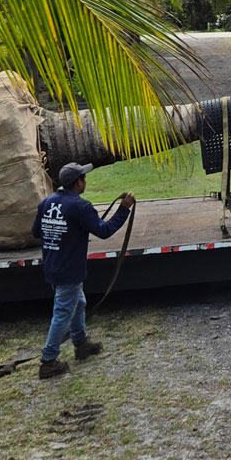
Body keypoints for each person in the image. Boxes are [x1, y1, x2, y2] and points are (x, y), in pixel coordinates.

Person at [32, 162, 134, 379]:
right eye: (84, 178)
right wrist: (123, 210)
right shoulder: (81, 207)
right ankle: (48, 360)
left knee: (78, 303)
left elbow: (36, 232)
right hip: (69, 269)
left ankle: (81, 343)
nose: (85, 181)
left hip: (53, 266)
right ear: (78, 183)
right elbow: (104, 231)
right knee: (62, 314)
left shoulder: (46, 203)